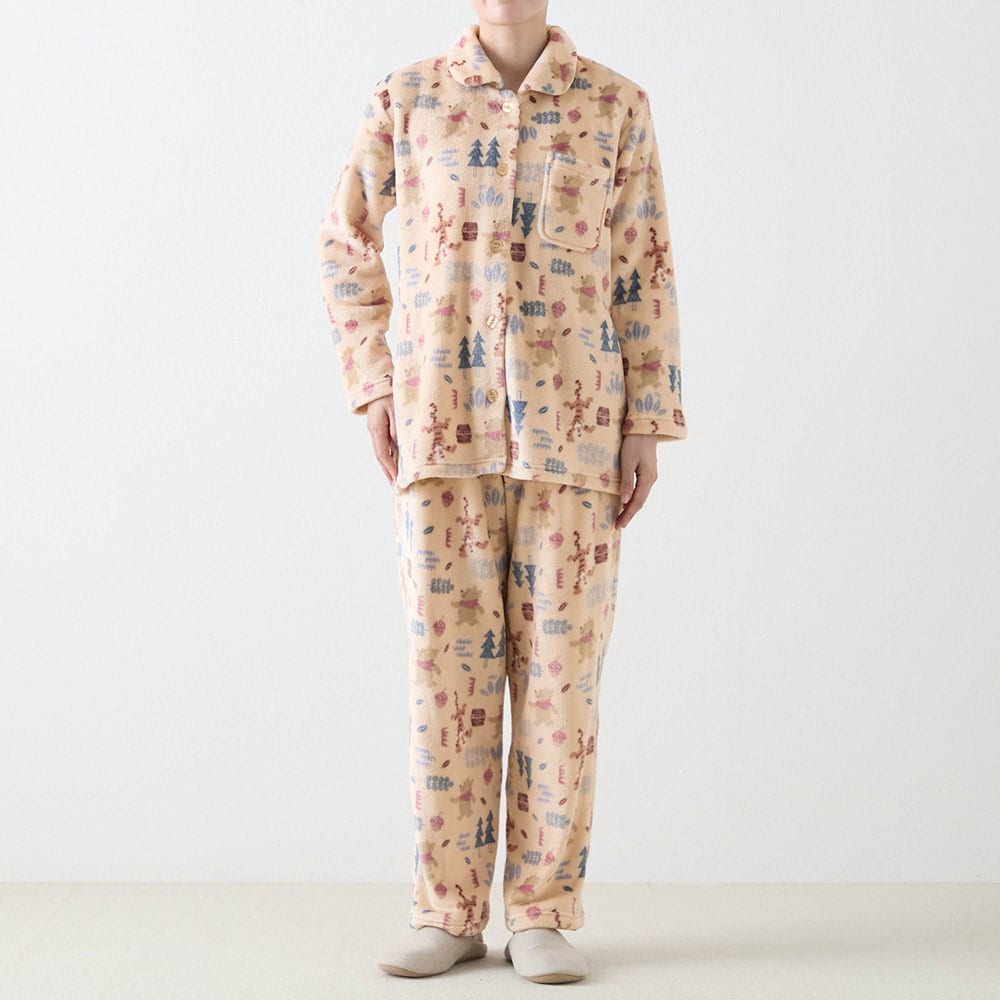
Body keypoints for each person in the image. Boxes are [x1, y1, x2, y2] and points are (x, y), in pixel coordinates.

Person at [316, 0, 686, 983]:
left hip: (576, 438)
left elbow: (644, 269)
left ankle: (541, 911)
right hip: (442, 428)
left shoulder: (615, 106)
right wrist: (374, 386)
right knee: (447, 679)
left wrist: (647, 418)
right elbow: (345, 242)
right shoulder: (406, 99)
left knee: (562, 683)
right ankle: (447, 911)